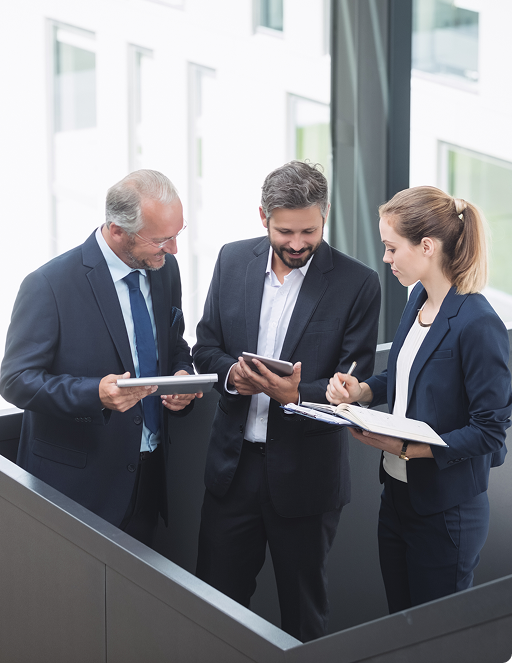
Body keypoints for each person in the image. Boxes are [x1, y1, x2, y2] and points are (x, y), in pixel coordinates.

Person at [192, 160, 381, 642]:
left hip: (307, 478)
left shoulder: (358, 284)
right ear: (263, 217)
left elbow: (351, 384)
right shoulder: (232, 260)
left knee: (303, 617)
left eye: (309, 231)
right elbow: (205, 346)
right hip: (232, 473)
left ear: (326, 216)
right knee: (214, 608)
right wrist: (232, 375)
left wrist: (295, 393)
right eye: (285, 231)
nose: (297, 243)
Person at [327, 186, 512, 613]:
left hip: (447, 512)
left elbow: (490, 432)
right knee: (401, 630)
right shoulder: (418, 300)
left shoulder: (479, 324)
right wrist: (363, 391)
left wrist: (409, 448)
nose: (386, 259)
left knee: (435, 644)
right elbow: (401, 374)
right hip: (397, 497)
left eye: (392, 248)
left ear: (426, 247)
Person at [0, 170, 198, 547]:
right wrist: (96, 394)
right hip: (78, 487)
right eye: (161, 239)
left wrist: (181, 375)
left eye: (177, 234)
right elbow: (15, 380)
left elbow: (173, 343)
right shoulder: (48, 285)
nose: (173, 250)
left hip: (149, 476)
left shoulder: (163, 270)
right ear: (118, 230)